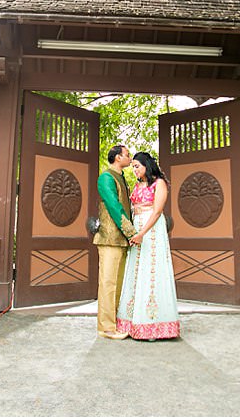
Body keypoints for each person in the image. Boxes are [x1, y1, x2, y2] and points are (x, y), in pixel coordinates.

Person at [116, 151, 180, 340]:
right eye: (133, 166)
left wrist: (142, 233)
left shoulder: (159, 183)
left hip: (151, 230)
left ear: (147, 165)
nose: (134, 170)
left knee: (151, 270)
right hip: (137, 227)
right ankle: (132, 322)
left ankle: (153, 325)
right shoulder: (138, 185)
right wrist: (132, 231)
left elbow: (158, 210)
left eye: (137, 166)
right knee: (136, 270)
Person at [94, 144, 138, 340]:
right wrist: (131, 231)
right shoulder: (106, 177)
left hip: (121, 240)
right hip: (109, 237)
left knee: (118, 283)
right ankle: (106, 328)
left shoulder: (121, 178)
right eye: (127, 155)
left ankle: (116, 323)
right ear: (118, 157)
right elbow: (113, 205)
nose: (130, 158)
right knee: (108, 283)